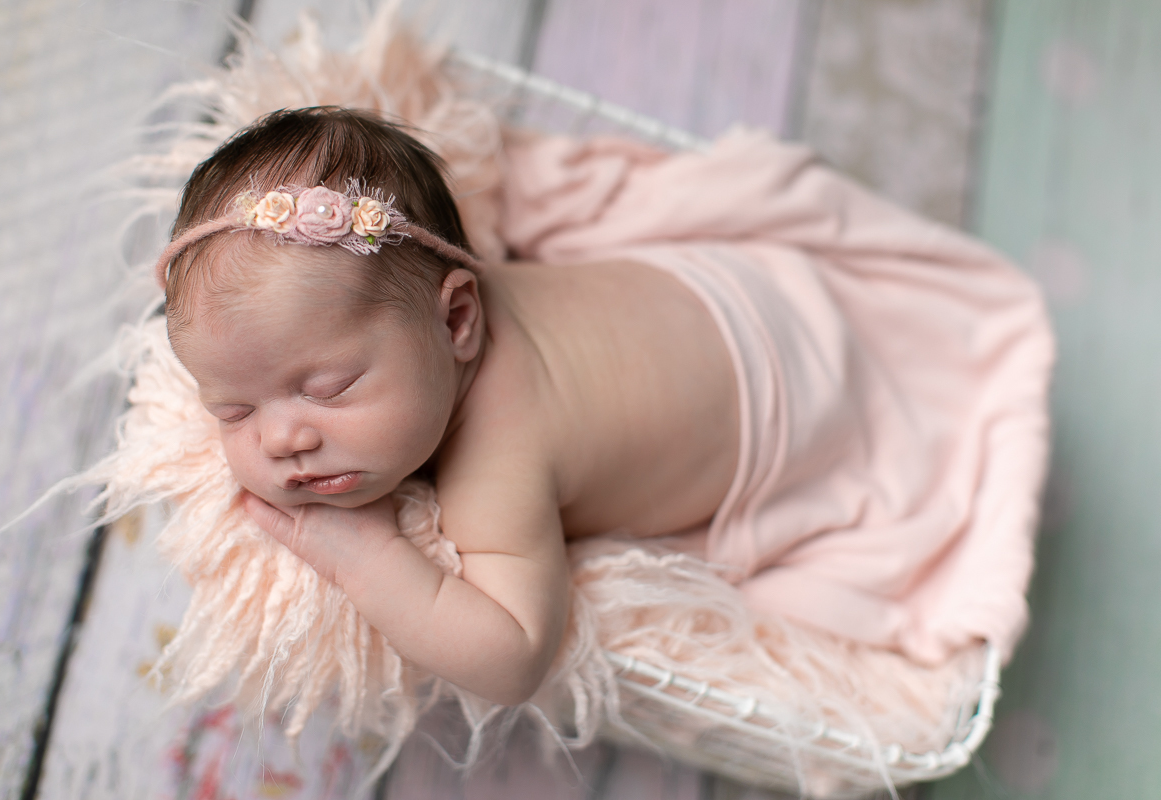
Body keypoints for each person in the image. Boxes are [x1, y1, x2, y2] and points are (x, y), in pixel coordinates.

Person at [156, 103, 1052, 707]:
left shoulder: (498, 452)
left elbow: (511, 656)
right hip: (740, 285)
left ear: (459, 317)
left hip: (801, 416)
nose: (284, 439)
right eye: (231, 411)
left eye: (328, 387)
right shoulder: (415, 297)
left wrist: (363, 553)